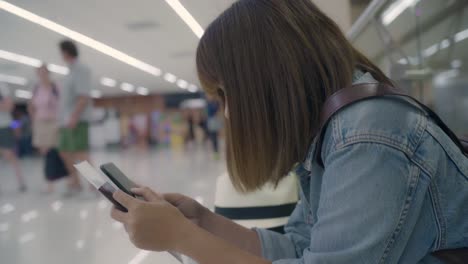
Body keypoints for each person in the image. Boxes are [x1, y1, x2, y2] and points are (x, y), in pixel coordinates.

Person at [110, 1, 468, 263]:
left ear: (262, 81)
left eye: (225, 93)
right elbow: (300, 247)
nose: (230, 112)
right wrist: (202, 221)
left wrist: (181, 236)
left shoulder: (366, 133)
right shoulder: (330, 134)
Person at [57, 40, 93, 197]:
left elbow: (83, 97)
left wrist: (73, 117)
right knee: (65, 152)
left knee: (81, 154)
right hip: (67, 120)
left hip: (77, 119)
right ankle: (76, 183)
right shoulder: (70, 71)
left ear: (66, 52)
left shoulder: (81, 70)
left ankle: (97, 187)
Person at [29, 64, 60, 193]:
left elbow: (61, 105)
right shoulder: (36, 88)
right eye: (39, 72)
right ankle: (49, 182)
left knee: (54, 152)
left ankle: (58, 180)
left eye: (44, 72)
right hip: (40, 122)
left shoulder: (55, 87)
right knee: (45, 153)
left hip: (53, 122)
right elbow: (31, 105)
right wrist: (33, 119)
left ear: (48, 73)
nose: (42, 75)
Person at [0, 85, 26, 192]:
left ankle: (21, 182)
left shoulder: (2, 87)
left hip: (4, 127)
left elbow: (9, 106)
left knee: (9, 155)